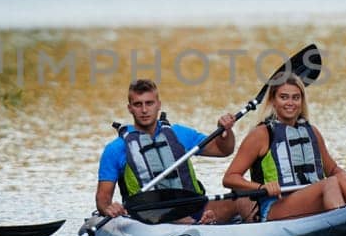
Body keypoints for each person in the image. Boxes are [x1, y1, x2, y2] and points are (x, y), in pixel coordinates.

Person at [221, 76, 346, 221]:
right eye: (284, 97)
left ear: (302, 101)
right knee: (330, 183)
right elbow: (230, 178)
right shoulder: (261, 134)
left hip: (311, 202)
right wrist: (261, 186)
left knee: (342, 178)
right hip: (276, 207)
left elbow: (332, 170)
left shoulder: (312, 131)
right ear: (273, 101)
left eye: (295, 97)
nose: (290, 102)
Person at [94, 78, 243, 224]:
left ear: (158, 105)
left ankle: (250, 224)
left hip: (192, 206)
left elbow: (223, 150)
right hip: (148, 215)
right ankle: (194, 223)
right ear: (130, 108)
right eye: (138, 104)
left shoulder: (179, 134)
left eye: (149, 103)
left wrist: (225, 132)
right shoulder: (115, 149)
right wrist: (110, 208)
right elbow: (103, 200)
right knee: (179, 218)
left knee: (242, 199)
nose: (144, 110)